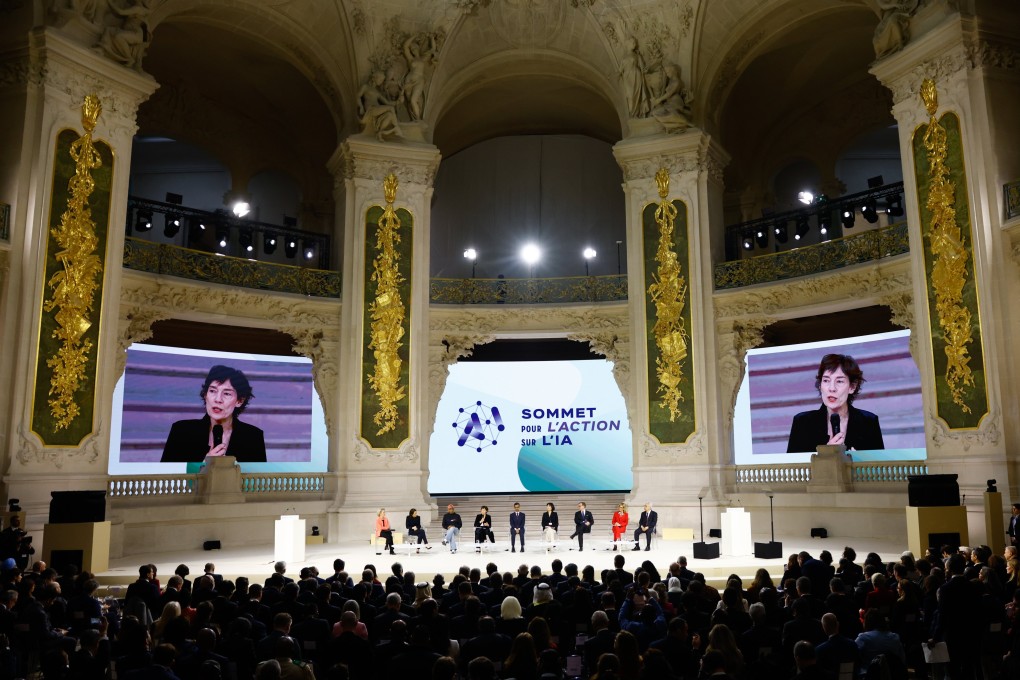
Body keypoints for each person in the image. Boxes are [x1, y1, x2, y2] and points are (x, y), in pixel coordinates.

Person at [161, 365, 267, 463]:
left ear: (239, 401)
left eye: (226, 393)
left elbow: (259, 482)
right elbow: (165, 478)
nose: (218, 399)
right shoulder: (181, 431)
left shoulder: (253, 437)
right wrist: (203, 467)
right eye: (212, 391)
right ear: (205, 395)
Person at [786, 354, 884, 453]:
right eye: (826, 380)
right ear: (820, 385)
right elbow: (792, 466)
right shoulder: (803, 423)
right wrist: (826, 455)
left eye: (839, 381)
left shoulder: (868, 422)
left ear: (852, 387)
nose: (831, 388)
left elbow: (880, 466)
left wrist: (857, 460)